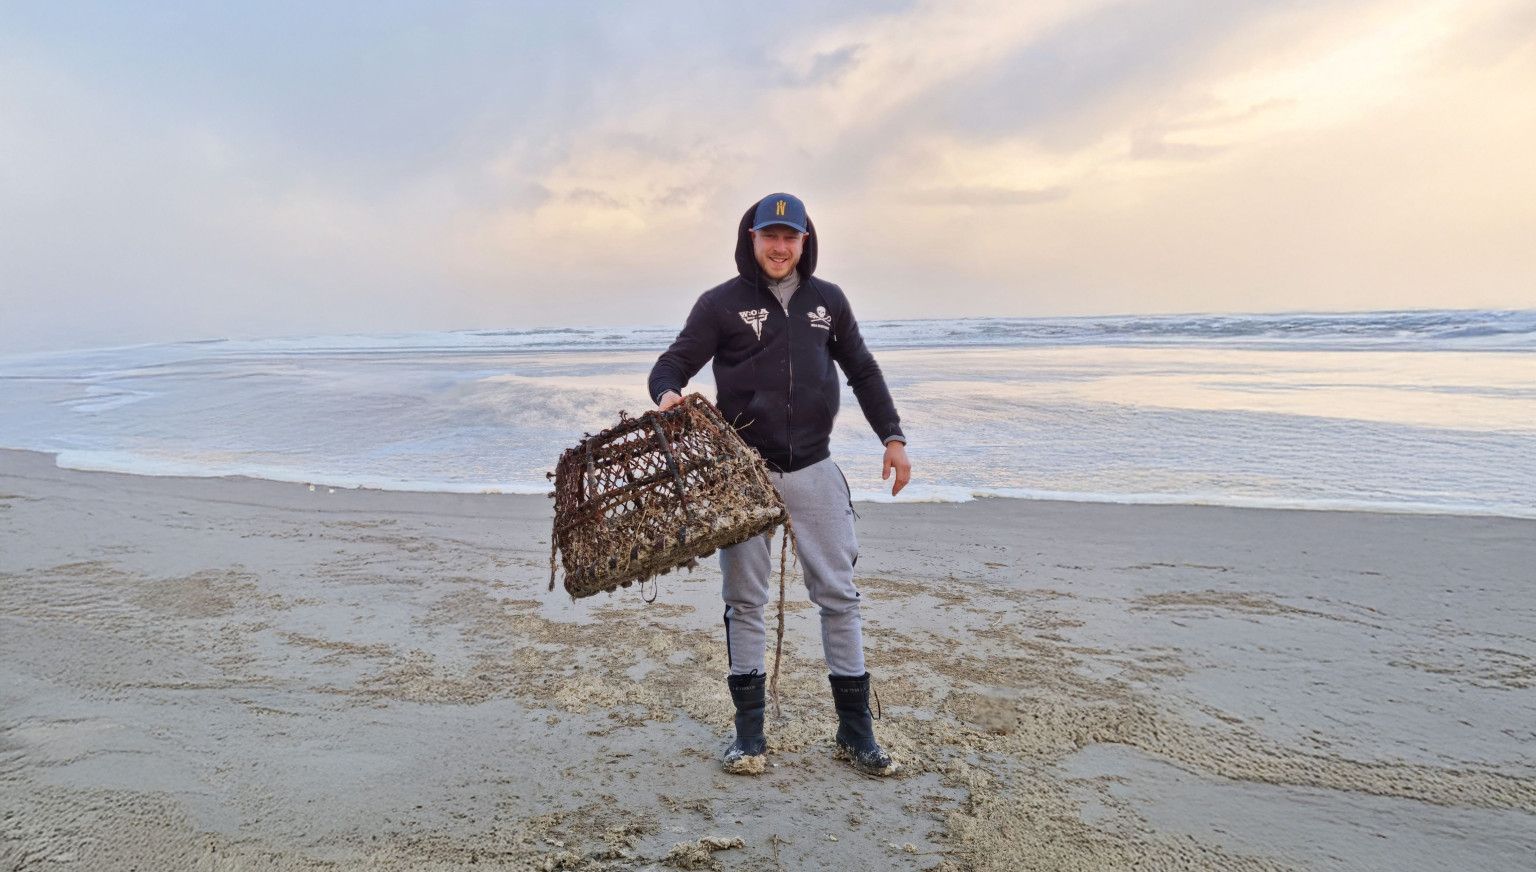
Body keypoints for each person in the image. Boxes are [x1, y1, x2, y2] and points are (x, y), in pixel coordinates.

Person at [647, 192, 911, 776]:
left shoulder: (828, 302)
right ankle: (749, 737)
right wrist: (667, 395)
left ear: (804, 241)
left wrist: (892, 437)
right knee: (745, 601)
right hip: (744, 473)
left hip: (814, 467)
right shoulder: (721, 304)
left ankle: (854, 732)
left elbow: (863, 369)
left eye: (791, 238)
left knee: (838, 597)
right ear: (753, 238)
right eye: (770, 236)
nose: (780, 247)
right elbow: (670, 366)